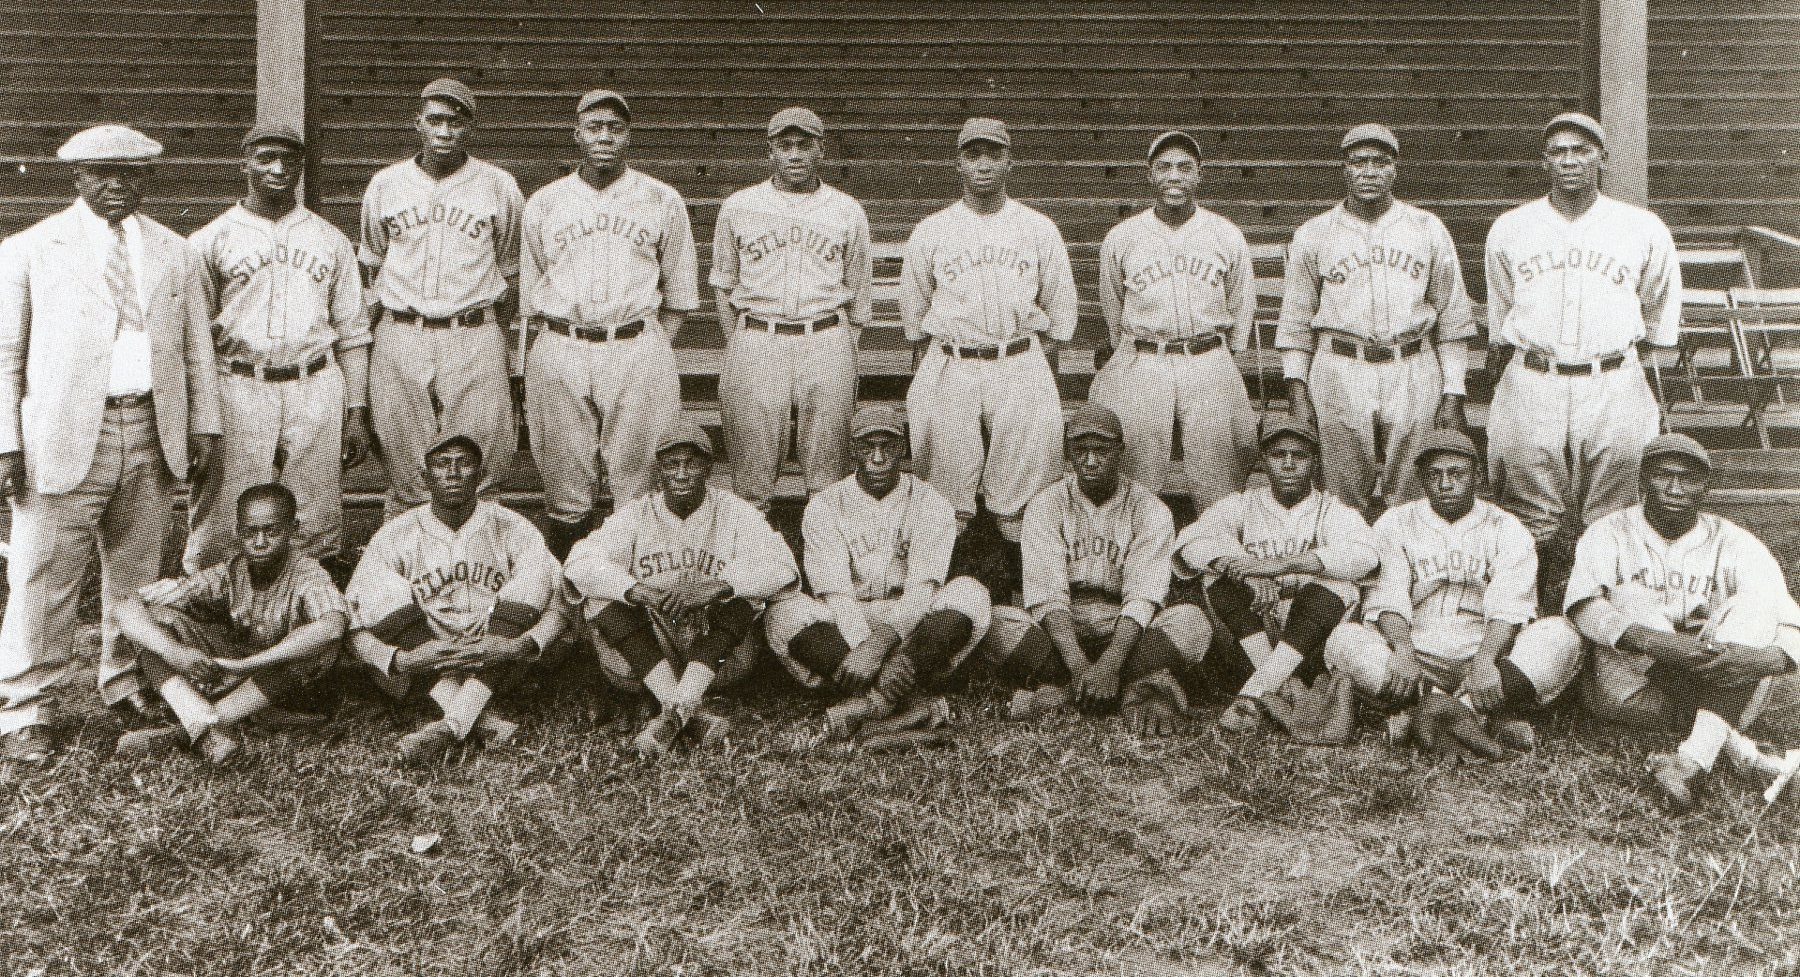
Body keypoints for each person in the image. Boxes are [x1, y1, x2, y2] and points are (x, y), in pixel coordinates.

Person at [0, 124, 222, 763]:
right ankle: (26, 709)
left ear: (146, 178)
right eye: (103, 173)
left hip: (151, 427)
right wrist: (5, 442)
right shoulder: (34, 248)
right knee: (43, 574)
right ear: (77, 177)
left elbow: (194, 349)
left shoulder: (173, 251)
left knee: (135, 573)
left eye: (130, 173)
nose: (117, 185)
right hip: (64, 435)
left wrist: (202, 424)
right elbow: (6, 354)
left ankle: (124, 681)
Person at [1483, 112, 1681, 607]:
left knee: (1614, 510)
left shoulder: (1640, 226)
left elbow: (1658, 312)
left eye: (1581, 150)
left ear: (1602, 158)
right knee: (1530, 511)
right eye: (1558, 151)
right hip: (1534, 376)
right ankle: (1532, 615)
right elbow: (1502, 308)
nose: (1570, 161)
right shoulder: (1511, 228)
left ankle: (1609, 617)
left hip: (1612, 376)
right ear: (1543, 160)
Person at [1547, 434, 1800, 811]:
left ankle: (1691, 761)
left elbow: (1791, 624)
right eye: (1664, 475)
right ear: (1643, 479)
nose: (1675, 488)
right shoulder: (1609, 531)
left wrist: (1765, 661)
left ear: (1706, 486)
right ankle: (1737, 750)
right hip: (1632, 690)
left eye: (1689, 478)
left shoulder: (1734, 541)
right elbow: (1582, 608)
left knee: (1757, 605)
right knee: (1629, 596)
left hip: (1727, 680)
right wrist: (1655, 642)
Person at [522, 88, 699, 560]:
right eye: (595, 127)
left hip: (636, 342)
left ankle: (629, 592)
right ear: (576, 134)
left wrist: (646, 346)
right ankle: (570, 599)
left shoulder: (661, 199)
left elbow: (680, 297)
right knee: (565, 480)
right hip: (562, 342)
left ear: (629, 136)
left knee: (638, 480)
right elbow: (533, 290)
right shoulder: (545, 202)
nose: (605, 137)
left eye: (616, 128)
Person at [898, 117, 1077, 583]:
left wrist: (1040, 369)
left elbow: (1059, 312)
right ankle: (942, 594)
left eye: (993, 154)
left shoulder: (1038, 227)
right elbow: (916, 320)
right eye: (973, 154)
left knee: (1026, 493)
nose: (983, 164)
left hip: (1017, 358)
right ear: (959, 162)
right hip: (953, 361)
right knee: (944, 492)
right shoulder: (933, 229)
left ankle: (1025, 594)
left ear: (1009, 160)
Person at [1321, 430, 1580, 749]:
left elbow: (1509, 606)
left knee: (1561, 636)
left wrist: (1486, 660)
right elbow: (1387, 598)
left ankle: (1435, 713)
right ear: (1421, 478)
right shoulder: (1395, 522)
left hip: (1490, 653)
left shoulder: (1506, 526)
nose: (1445, 484)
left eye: (1456, 473)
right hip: (1416, 649)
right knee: (1344, 639)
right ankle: (1479, 717)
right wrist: (1403, 651)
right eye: (1435, 474)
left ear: (1478, 476)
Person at [186, 122, 369, 572]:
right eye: (265, 157)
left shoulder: (329, 238)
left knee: (316, 506)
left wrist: (356, 410)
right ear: (243, 163)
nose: (278, 168)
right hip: (241, 381)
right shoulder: (210, 240)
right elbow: (194, 341)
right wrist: (200, 413)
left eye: (289, 159)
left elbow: (352, 331)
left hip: (314, 379)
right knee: (228, 504)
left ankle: (309, 602)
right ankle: (215, 603)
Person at [563, 416, 798, 759]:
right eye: (672, 464)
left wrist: (721, 586)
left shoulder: (734, 511)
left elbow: (783, 567)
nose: (682, 473)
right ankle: (685, 709)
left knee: (747, 596)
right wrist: (637, 590)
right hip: (647, 653)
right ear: (659, 469)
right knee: (599, 596)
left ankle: (673, 707)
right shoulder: (637, 513)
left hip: (718, 657)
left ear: (709, 467)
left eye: (692, 463)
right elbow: (578, 564)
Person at [1278, 123, 1475, 516]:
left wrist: (1453, 392)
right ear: (1344, 169)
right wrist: (1297, 392)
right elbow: (1296, 322)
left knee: (1414, 489)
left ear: (1395, 169)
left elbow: (1452, 317)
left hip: (1413, 363)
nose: (1369, 171)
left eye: (1380, 162)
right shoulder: (1314, 233)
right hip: (1340, 366)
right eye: (1359, 161)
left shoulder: (1426, 227)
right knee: (1340, 490)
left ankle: (1410, 565)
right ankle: (1346, 569)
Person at [763, 406, 992, 739]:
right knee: (783, 613)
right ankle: (914, 704)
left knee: (971, 594)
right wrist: (866, 652)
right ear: (853, 449)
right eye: (868, 446)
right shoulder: (826, 505)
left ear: (903, 448)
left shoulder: (930, 502)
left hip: (910, 626)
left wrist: (880, 648)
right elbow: (836, 594)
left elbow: (921, 591)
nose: (878, 457)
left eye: (888, 446)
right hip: (848, 622)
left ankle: (873, 704)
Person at [983, 405, 1212, 736]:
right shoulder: (1047, 504)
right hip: (1064, 628)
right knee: (995, 624)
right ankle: (1120, 690)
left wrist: (1109, 665)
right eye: (1081, 450)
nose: (1090, 461)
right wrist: (1079, 666)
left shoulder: (1150, 508)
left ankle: (1063, 694)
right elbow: (1048, 596)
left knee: (1192, 624)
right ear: (1068, 453)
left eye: (1101, 450)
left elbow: (1142, 598)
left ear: (1120, 451)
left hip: (1123, 628)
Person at [344, 433, 565, 766]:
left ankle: (450, 724)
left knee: (540, 574)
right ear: (425, 476)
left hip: (497, 650)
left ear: (480, 475)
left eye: (464, 463)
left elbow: (560, 601)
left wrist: (517, 646)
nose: (453, 473)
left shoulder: (510, 525)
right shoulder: (397, 531)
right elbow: (353, 615)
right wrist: (401, 660)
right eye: (441, 464)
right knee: (376, 586)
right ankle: (477, 720)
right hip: (422, 656)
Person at [358, 78, 524, 520]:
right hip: (402, 331)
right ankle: (403, 569)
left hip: (473, 331)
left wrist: (489, 328)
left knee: (480, 462)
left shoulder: (499, 185)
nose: (445, 131)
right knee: (405, 464)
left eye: (456, 121)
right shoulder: (386, 183)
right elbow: (373, 264)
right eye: (435, 119)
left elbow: (510, 271)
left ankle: (478, 561)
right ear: (418, 123)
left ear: (469, 127)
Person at [114, 484, 347, 764]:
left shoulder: (307, 573)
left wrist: (250, 665)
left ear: (293, 530)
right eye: (250, 532)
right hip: (239, 678)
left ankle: (189, 729)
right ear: (238, 532)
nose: (260, 542)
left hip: (291, 688)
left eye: (271, 531)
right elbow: (126, 606)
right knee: (150, 624)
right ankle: (201, 719)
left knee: (316, 647)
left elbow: (332, 626)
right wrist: (174, 652)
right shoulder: (232, 571)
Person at [711, 106, 873, 511]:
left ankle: (825, 566)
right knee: (751, 477)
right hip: (759, 336)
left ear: (822, 151)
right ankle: (756, 570)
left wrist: (840, 342)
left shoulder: (846, 209)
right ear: (771, 151)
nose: (795, 155)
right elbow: (723, 284)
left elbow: (858, 292)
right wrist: (743, 341)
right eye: (786, 145)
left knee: (829, 477)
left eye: (805, 145)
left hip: (826, 335)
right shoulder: (739, 205)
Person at [1088, 130, 1258, 513]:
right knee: (1134, 468)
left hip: (1206, 355)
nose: (1175, 176)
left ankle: (1216, 558)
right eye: (1164, 167)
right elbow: (1112, 303)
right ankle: (1132, 551)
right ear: (1150, 174)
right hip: (1144, 357)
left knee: (1221, 474)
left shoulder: (1225, 234)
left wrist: (1219, 353)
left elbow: (1240, 301)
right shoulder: (1123, 236)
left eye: (1185, 167)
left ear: (1200, 174)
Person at [1173, 418, 1377, 733]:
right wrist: (1244, 571)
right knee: (1217, 575)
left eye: (1300, 455)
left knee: (1337, 583)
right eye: (1278, 455)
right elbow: (1191, 544)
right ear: (1264, 460)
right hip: (1255, 636)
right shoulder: (1243, 503)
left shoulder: (1332, 509)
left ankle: (1254, 693)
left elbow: (1365, 557)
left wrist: (1278, 567)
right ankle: (1281, 684)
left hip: (1312, 643)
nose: (1289, 464)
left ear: (1315, 461)